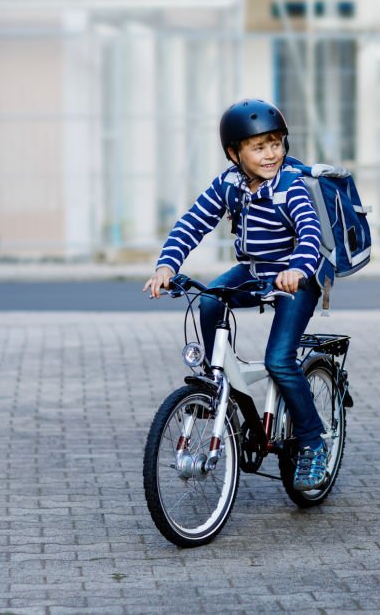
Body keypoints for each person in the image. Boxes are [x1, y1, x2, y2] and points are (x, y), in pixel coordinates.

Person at [143, 98, 329, 490]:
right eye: (259, 147)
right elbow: (193, 222)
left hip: (297, 277)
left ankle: (313, 443)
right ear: (234, 153)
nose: (271, 154)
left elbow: (311, 233)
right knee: (209, 298)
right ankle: (217, 380)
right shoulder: (228, 185)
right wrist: (166, 266)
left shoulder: (291, 187)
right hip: (253, 270)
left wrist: (297, 268)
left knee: (280, 360)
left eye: (276, 143)